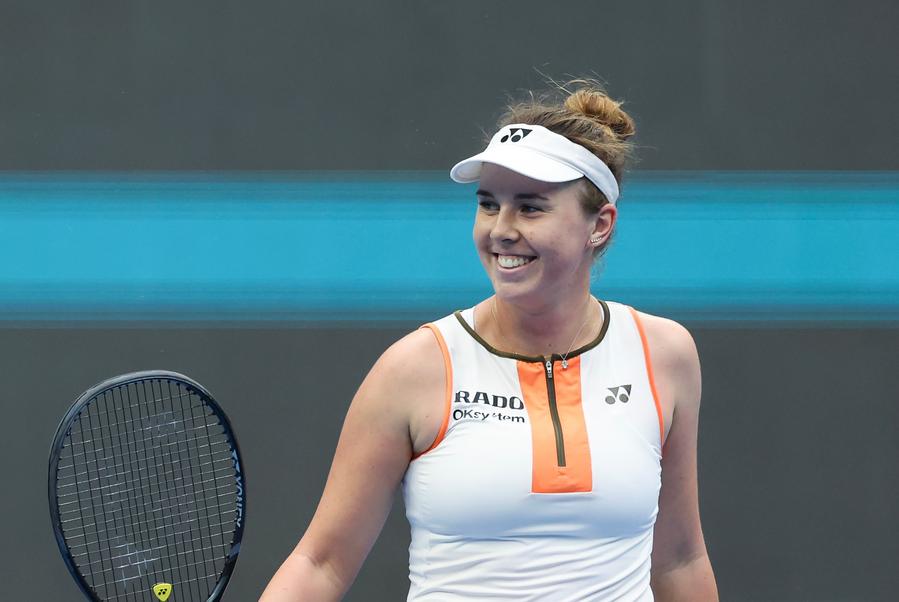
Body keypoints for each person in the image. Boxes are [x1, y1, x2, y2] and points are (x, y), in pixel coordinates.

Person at [260, 81, 718, 601]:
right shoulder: (415, 367)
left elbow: (680, 560)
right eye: (488, 204)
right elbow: (321, 563)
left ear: (600, 225)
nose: (500, 229)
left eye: (530, 208)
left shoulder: (664, 354)